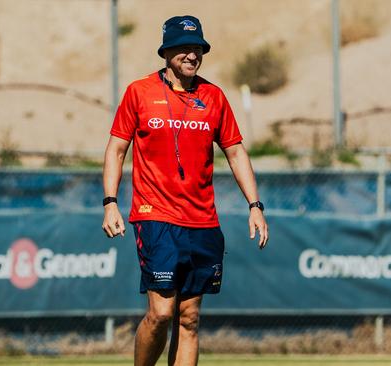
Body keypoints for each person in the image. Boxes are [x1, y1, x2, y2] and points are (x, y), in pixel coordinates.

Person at [102, 15, 268, 366]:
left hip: (203, 222)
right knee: (161, 312)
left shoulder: (214, 96)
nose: (192, 55)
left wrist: (255, 205)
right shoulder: (139, 92)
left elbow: (235, 151)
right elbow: (117, 149)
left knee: (189, 318)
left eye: (198, 49)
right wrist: (110, 202)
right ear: (166, 52)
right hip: (156, 217)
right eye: (184, 48)